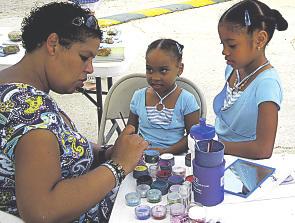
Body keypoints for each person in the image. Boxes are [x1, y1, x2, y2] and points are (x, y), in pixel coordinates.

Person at [0, 2, 147, 223]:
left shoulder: (12, 87)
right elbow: (42, 211)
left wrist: (105, 153)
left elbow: (61, 153)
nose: (90, 69)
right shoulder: (28, 110)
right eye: (83, 57)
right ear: (53, 44)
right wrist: (118, 165)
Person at [213, 0, 288, 159]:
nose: (224, 51)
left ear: (260, 40)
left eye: (232, 45)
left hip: (244, 165)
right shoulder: (233, 68)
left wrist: (214, 145)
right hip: (219, 155)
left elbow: (263, 149)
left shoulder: (267, 85)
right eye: (223, 44)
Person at [127, 39, 200, 155]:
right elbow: (130, 131)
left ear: (179, 69)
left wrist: (166, 152)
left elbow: (194, 136)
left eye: (163, 70)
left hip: (175, 160)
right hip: (142, 158)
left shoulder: (186, 100)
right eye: (149, 69)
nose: (155, 77)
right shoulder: (138, 97)